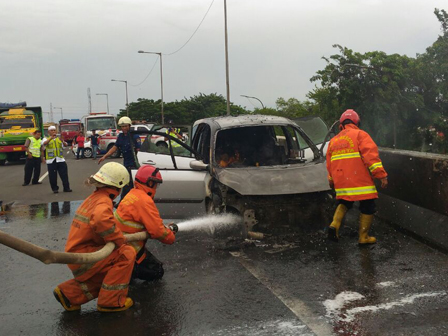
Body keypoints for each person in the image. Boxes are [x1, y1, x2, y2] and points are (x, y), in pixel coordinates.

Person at [53, 162, 136, 312]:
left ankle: (69, 294)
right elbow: (100, 219)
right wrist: (119, 240)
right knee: (126, 254)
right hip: (86, 257)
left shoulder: (94, 198)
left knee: (111, 272)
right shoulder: (104, 201)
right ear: (118, 186)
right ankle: (111, 302)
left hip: (78, 256)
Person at [326, 109, 388, 244]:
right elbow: (371, 158)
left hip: (342, 184)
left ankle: (334, 225)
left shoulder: (333, 141)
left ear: (341, 124)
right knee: (368, 206)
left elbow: (330, 165)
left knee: (344, 203)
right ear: (357, 122)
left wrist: (331, 181)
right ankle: (363, 237)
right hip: (361, 182)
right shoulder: (361, 135)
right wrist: (381, 175)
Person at [114, 165, 176, 281]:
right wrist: (170, 235)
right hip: (128, 251)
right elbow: (158, 232)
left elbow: (150, 223)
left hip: (119, 246)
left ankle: (126, 270)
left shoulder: (133, 194)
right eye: (156, 184)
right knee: (157, 271)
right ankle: (128, 271)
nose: (156, 188)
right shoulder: (144, 201)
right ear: (150, 183)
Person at [98, 117, 141, 199]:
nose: (124, 128)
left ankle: (124, 200)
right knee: (126, 183)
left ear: (129, 126)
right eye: (122, 126)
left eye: (125, 126)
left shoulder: (135, 136)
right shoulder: (121, 136)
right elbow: (115, 147)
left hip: (134, 163)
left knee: (129, 184)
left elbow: (139, 150)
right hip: (126, 163)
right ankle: (125, 200)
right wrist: (105, 156)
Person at [42, 126, 72, 193]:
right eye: (52, 130)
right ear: (49, 132)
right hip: (51, 160)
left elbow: (65, 145)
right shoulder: (45, 139)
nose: (53, 132)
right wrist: (51, 138)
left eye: (54, 130)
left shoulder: (59, 139)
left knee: (64, 174)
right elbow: (44, 144)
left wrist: (63, 141)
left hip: (60, 159)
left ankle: (66, 188)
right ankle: (55, 189)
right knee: (52, 176)